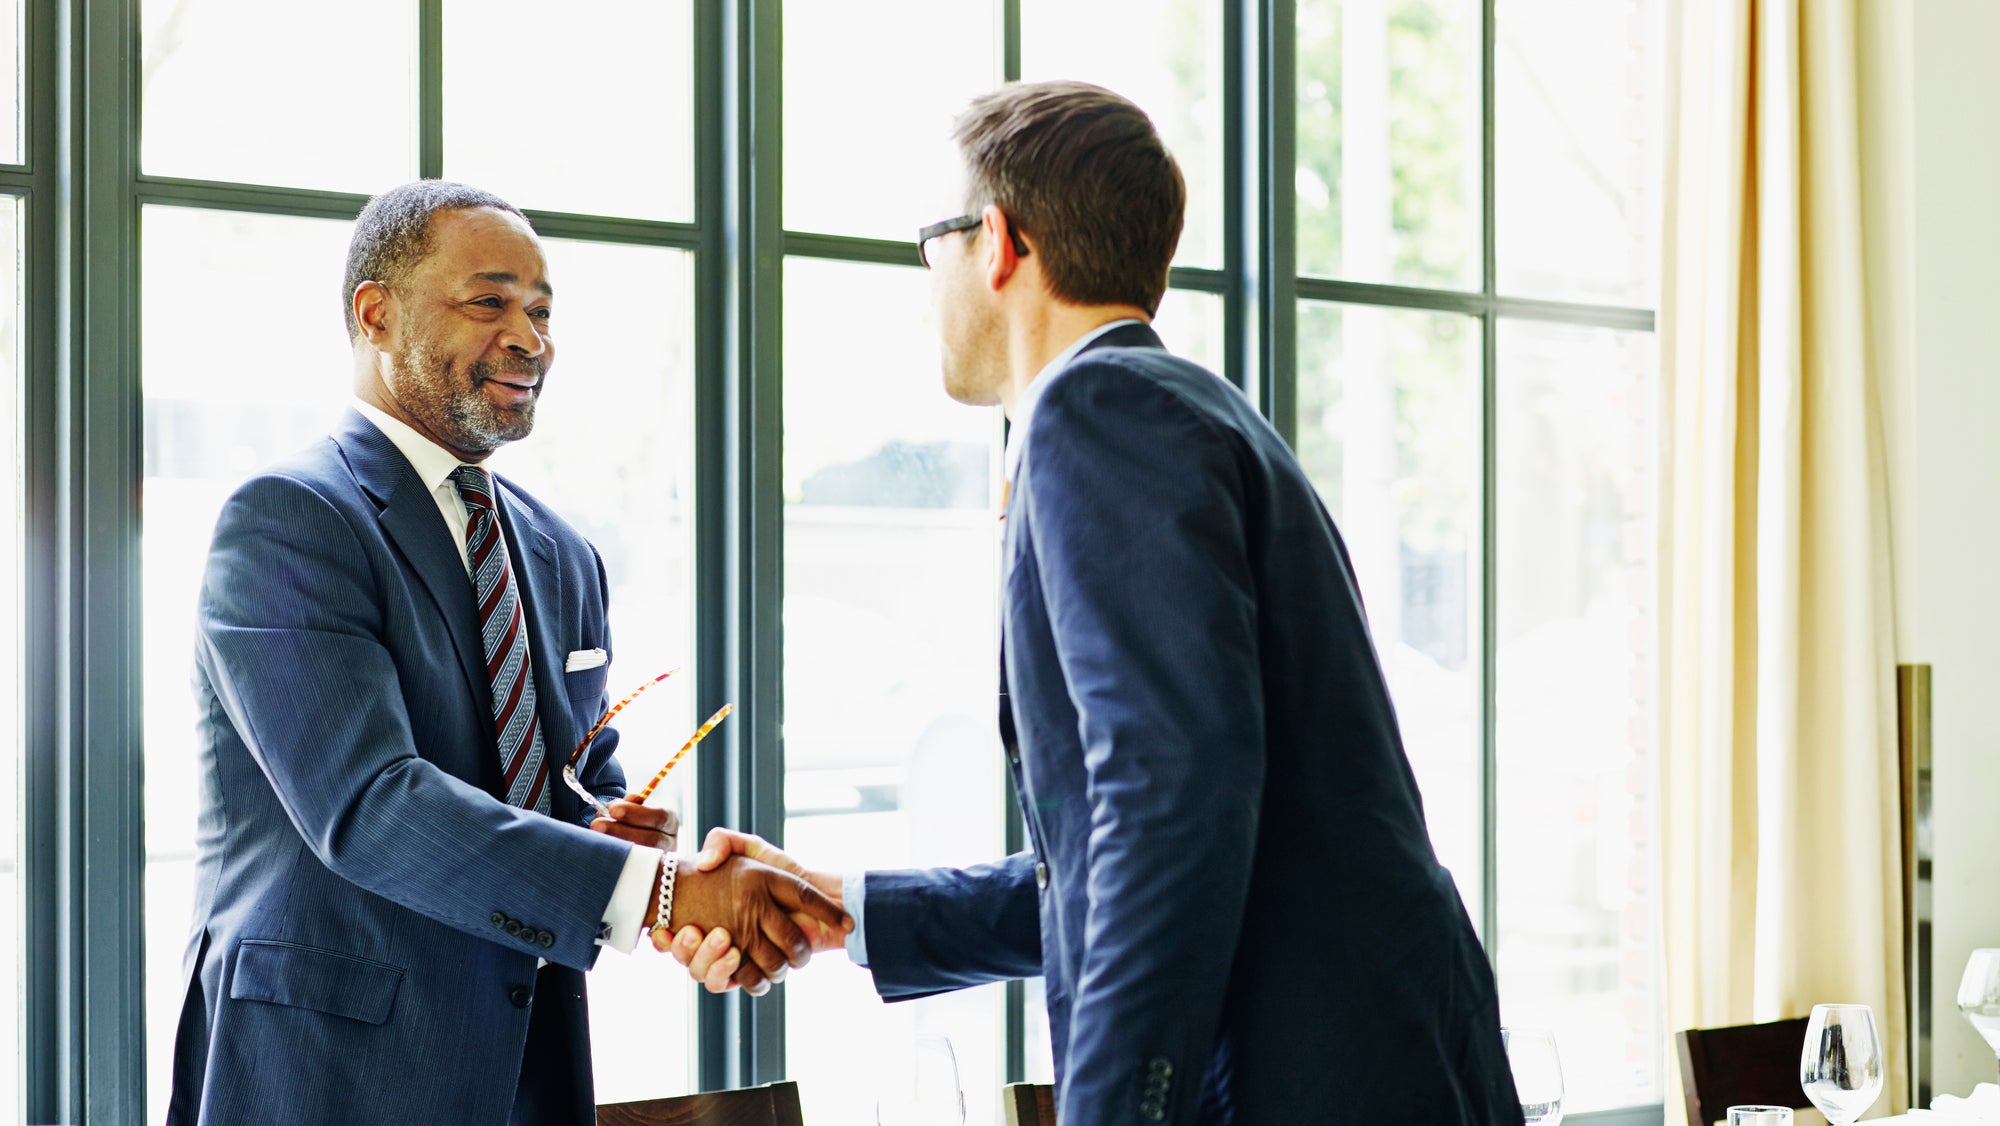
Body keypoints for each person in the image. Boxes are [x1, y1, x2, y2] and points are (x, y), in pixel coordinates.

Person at [668, 82, 1522, 1125]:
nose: (924, 281)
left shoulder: (1094, 411)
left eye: (926, 246)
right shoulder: (1191, 410)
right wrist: (848, 907)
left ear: (995, 242)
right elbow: (1153, 838)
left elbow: (1166, 801)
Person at [166, 180, 846, 1126]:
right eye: (489, 302)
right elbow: (368, 806)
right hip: (331, 1075)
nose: (529, 338)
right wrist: (658, 894)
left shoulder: (563, 554)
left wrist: (645, 850)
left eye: (541, 310)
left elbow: (583, 785)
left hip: (531, 1064)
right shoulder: (290, 522)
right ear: (377, 314)